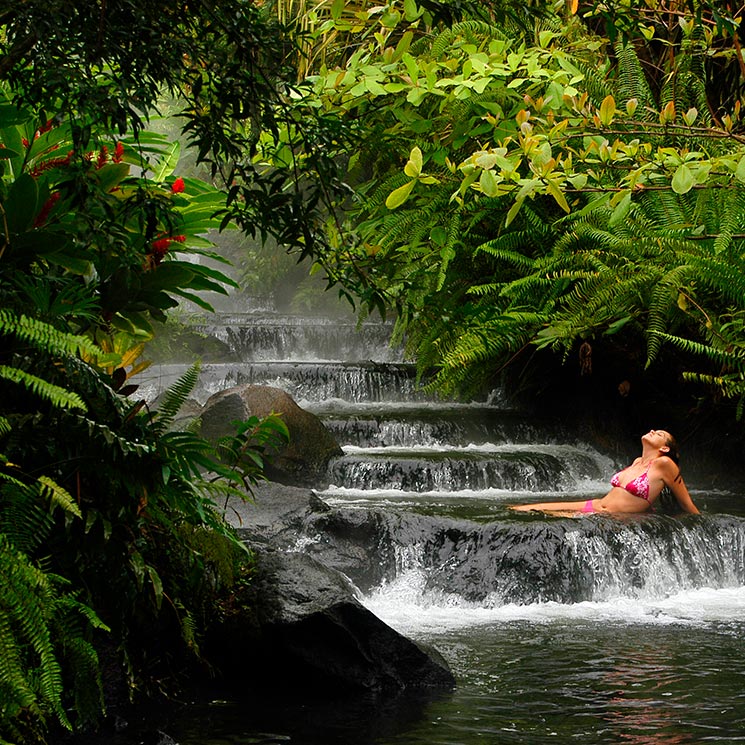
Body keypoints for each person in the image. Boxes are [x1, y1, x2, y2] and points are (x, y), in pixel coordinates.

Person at [510, 429, 700, 516]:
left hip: (607, 515)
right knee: (527, 508)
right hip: (596, 506)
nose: (652, 431)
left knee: (543, 516)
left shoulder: (665, 464)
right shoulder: (636, 462)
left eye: (659, 434)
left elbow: (685, 502)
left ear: (665, 449)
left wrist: (700, 524)